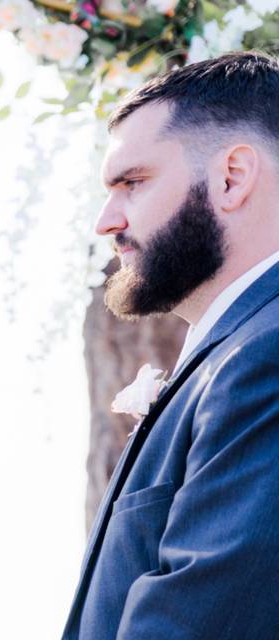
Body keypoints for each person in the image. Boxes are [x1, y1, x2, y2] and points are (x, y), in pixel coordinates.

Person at [63, 51, 279, 639]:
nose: (105, 221)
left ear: (231, 177)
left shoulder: (265, 356)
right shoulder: (237, 349)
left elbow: (200, 619)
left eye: (132, 182)